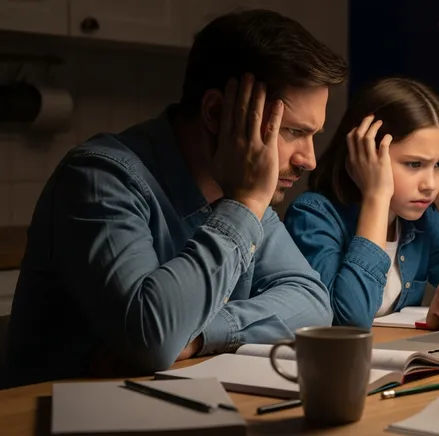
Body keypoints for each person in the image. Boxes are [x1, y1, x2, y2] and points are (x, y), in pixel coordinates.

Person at [4, 9, 347, 388]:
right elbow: (152, 340)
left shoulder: (240, 191)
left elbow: (313, 302)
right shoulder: (100, 178)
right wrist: (246, 204)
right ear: (216, 113)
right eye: (292, 131)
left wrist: (202, 335)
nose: (309, 159)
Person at [284, 77, 439, 330]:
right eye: (414, 164)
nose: (430, 184)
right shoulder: (313, 215)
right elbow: (349, 321)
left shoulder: (423, 221)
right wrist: (376, 197)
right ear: (364, 154)